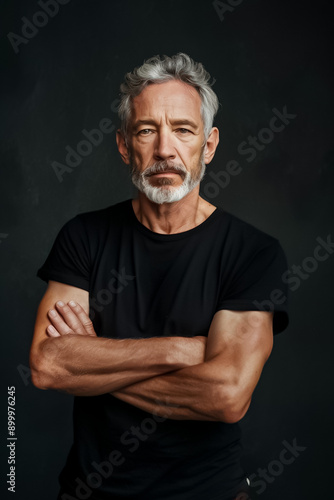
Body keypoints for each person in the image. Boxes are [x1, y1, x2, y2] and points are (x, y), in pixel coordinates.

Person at [29, 53, 289, 500]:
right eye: (147, 130)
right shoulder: (84, 237)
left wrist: (93, 361)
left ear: (208, 146)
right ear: (124, 145)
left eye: (183, 130)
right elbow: (48, 365)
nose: (165, 149)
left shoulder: (253, 252)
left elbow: (226, 396)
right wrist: (182, 350)